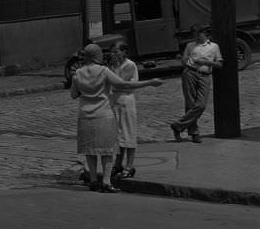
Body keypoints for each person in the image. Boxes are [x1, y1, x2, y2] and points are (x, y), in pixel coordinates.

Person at [70, 43, 162, 193]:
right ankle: (106, 182)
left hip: (85, 115)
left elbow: (74, 95)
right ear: (96, 56)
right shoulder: (104, 71)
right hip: (103, 114)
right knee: (107, 151)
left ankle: (93, 181)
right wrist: (150, 82)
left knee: (90, 151)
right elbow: (124, 83)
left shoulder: (77, 73)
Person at [170, 24, 223, 144]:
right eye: (194, 34)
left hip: (205, 75)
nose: (196, 37)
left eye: (198, 34)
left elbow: (219, 64)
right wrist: (183, 59)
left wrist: (206, 62)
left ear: (204, 33)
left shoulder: (214, 47)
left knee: (201, 105)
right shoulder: (190, 46)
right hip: (190, 73)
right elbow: (185, 61)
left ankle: (178, 125)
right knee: (190, 103)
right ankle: (194, 133)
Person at [108, 41, 140, 179]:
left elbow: (121, 82)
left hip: (126, 101)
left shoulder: (129, 65)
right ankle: (118, 163)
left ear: (124, 52)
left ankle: (129, 165)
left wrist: (115, 84)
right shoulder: (112, 65)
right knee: (118, 135)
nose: (113, 54)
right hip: (115, 100)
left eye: (116, 52)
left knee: (128, 133)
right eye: (112, 52)